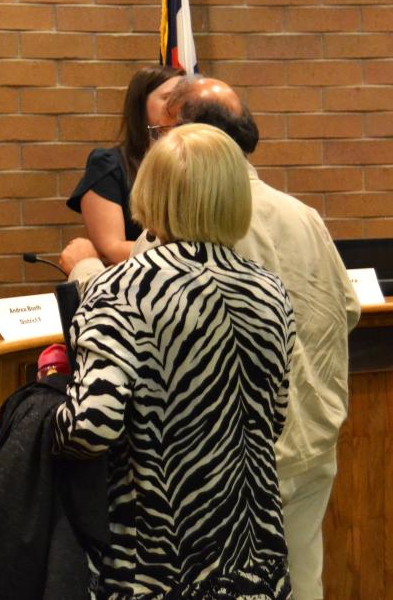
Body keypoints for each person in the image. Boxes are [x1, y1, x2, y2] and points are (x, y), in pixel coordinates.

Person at [54, 123, 296, 596]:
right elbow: (275, 415)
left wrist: (47, 417)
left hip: (160, 561)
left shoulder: (123, 288)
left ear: (151, 192)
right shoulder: (269, 291)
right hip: (255, 559)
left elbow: (91, 427)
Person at [161, 77, 360, 600]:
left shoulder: (190, 221)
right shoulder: (305, 216)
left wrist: (85, 267)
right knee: (303, 582)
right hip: (313, 438)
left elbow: (142, 316)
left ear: (188, 138)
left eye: (162, 131)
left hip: (233, 459)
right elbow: (349, 309)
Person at [60, 65, 183, 271]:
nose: (177, 108)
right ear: (140, 105)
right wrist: (181, 254)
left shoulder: (193, 163)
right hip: (130, 286)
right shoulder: (109, 164)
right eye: (168, 98)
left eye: (183, 100)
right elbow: (112, 248)